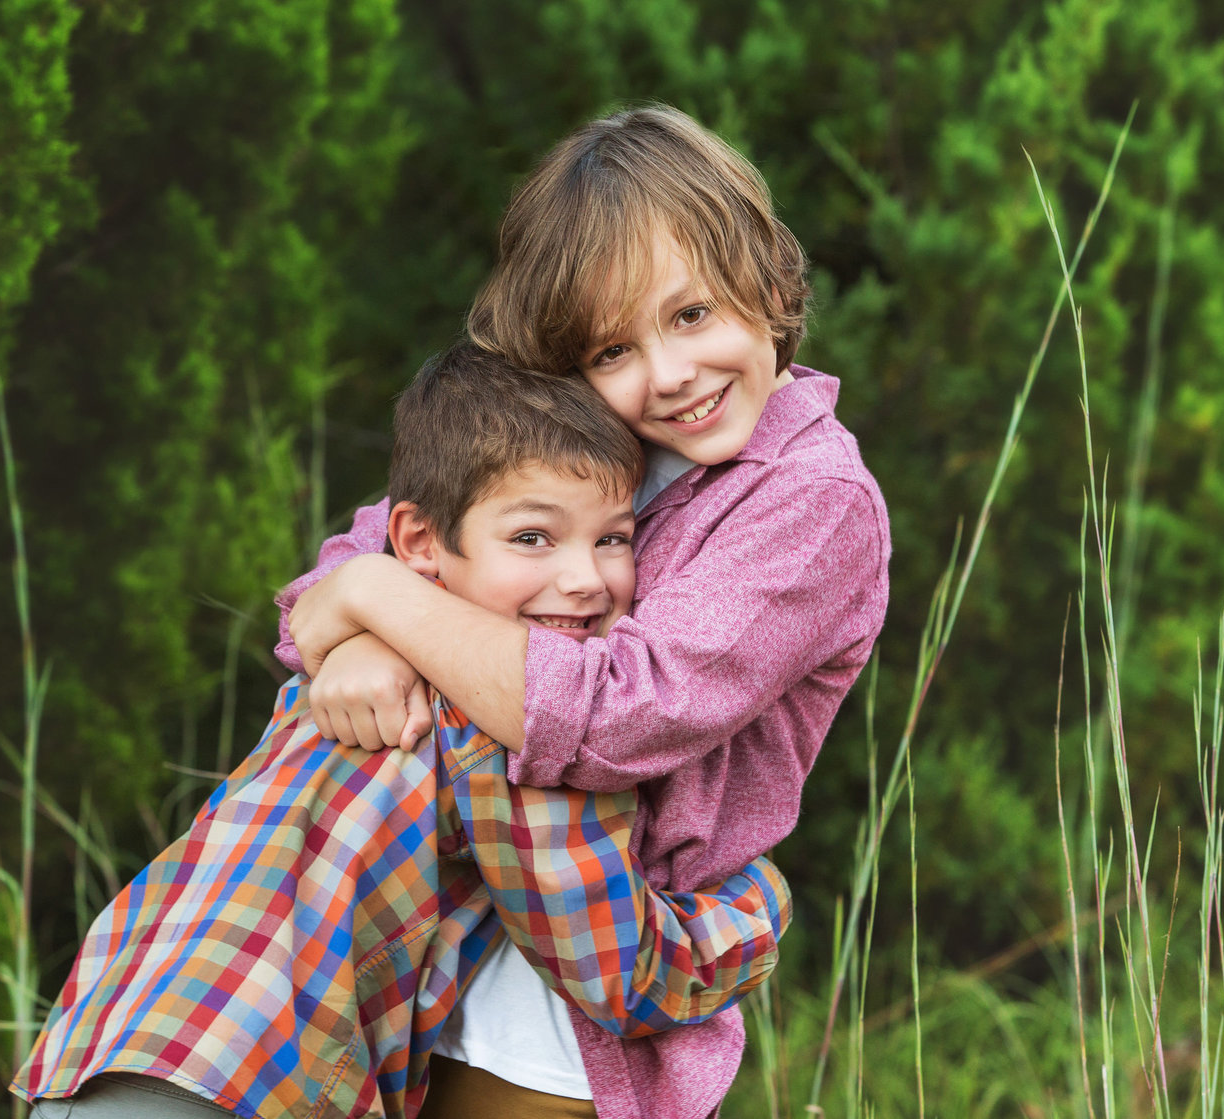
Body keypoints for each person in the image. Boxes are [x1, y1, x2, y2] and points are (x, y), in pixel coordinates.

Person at [280, 105, 892, 1119]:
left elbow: (617, 715)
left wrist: (374, 603)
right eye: (612, 350)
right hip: (436, 937)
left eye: (691, 315)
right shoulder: (600, 442)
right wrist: (355, 630)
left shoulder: (810, 501)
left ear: (770, 285)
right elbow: (376, 549)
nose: (668, 376)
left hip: (584, 986)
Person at [12, 344, 792, 1119]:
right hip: (251, 1090)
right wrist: (756, 902)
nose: (585, 578)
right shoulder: (508, 718)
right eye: (532, 538)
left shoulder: (338, 671)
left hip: (106, 1041)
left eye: (613, 537)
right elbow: (620, 971)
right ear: (418, 542)